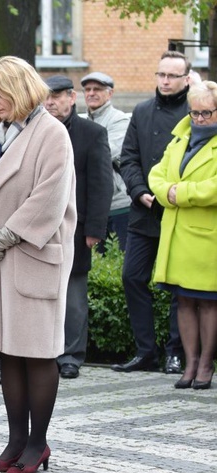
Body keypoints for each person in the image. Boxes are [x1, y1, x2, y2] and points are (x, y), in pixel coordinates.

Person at [0, 55, 76, 473]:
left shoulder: (53, 134)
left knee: (37, 353)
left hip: (30, 257)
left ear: (20, 90)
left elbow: (48, 199)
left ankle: (37, 443)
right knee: (9, 352)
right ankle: (14, 441)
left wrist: (3, 238)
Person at [113, 51, 189, 375]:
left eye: (172, 76)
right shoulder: (142, 111)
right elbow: (127, 158)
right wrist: (139, 191)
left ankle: (176, 353)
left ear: (186, 79)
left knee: (179, 285)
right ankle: (146, 352)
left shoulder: (194, 114)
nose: (165, 81)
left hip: (181, 213)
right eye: (161, 75)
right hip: (143, 211)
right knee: (132, 276)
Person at [148, 81, 217, 390]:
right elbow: (156, 174)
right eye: (195, 112)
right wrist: (167, 191)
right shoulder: (181, 137)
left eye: (206, 113)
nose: (199, 119)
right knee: (185, 301)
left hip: (207, 238)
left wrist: (180, 193)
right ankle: (189, 362)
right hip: (177, 235)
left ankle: (205, 363)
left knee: (208, 303)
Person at [44, 75, 113, 379]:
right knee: (41, 293)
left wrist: (95, 229)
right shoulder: (33, 131)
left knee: (73, 296)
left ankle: (71, 355)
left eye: (57, 96)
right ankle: (45, 351)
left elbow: (101, 184)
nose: (51, 102)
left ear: (72, 98)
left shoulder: (92, 133)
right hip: (40, 226)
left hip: (76, 225)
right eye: (47, 97)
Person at [80, 71, 132, 252]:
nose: (91, 93)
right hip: (90, 207)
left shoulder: (121, 120)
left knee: (117, 263)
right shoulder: (79, 120)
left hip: (118, 205)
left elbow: (105, 155)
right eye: (87, 89)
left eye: (97, 89)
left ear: (110, 93)